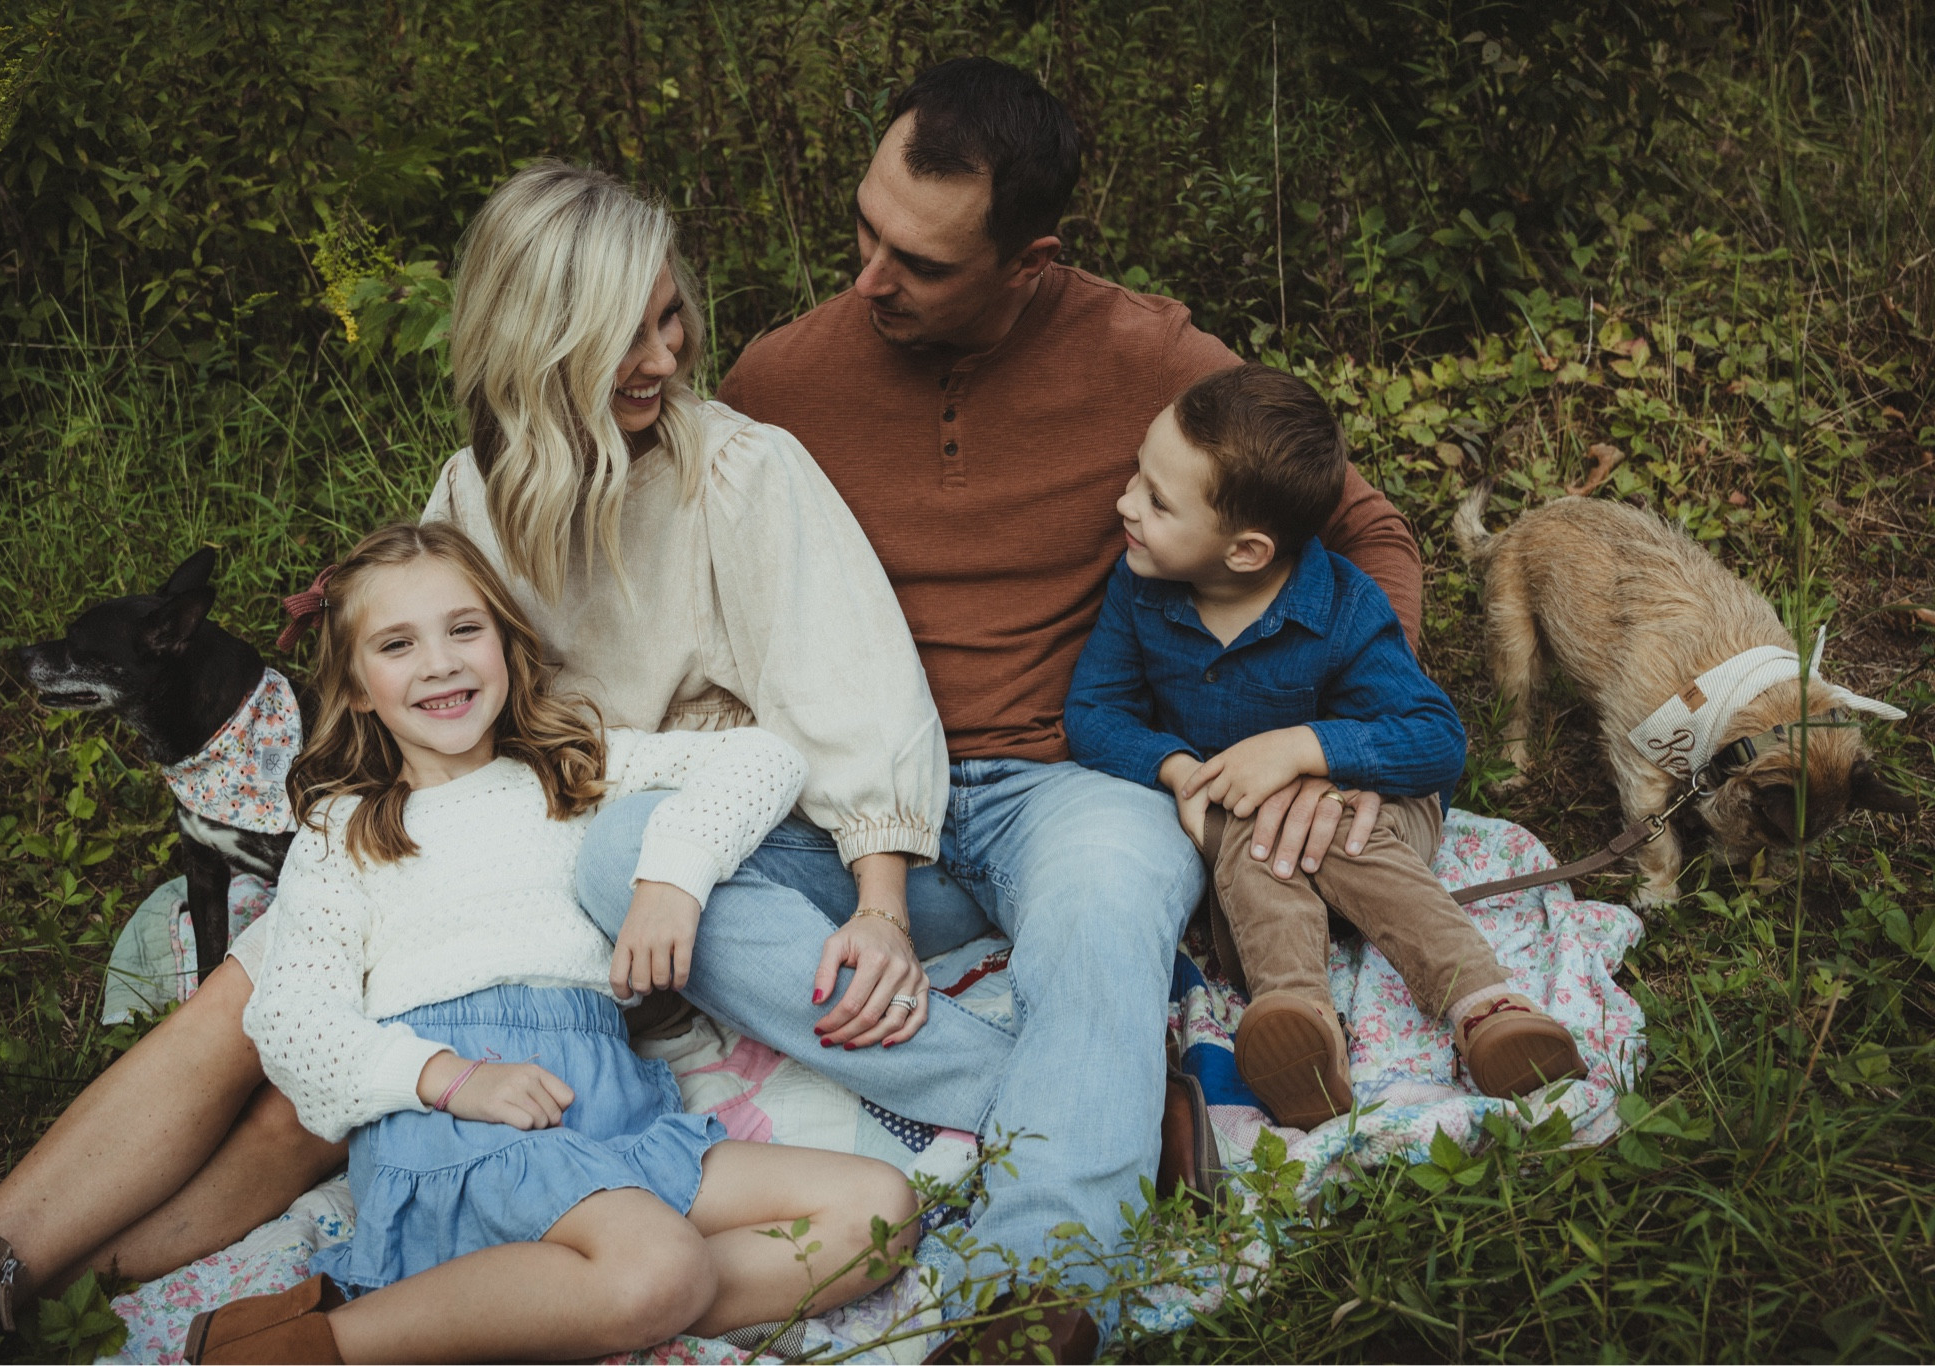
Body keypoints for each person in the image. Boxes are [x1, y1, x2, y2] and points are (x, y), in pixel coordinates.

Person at [0, 162, 998, 1359]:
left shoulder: (736, 472)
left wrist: (866, 898)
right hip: (490, 850)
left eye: (670, 315)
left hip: (648, 862)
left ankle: (356, 1316)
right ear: (537, 340)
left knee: (315, 1061)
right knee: (266, 1006)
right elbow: (420, 684)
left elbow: (834, 714)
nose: (665, 356)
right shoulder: (474, 494)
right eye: (624, 331)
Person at [577, 57, 1427, 1359]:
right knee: (620, 857)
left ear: (1030, 259)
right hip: (843, 799)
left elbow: (1360, 537)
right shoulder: (782, 375)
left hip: (1067, 776)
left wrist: (1328, 746)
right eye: (864, 231)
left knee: (1106, 896)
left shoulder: (1155, 358)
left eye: (918, 261)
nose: (870, 279)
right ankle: (1095, 1102)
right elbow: (619, 526)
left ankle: (1037, 1285)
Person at [176, 521, 917, 1364]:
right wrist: (448, 1078)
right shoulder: (343, 831)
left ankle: (555, 1307)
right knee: (657, 1262)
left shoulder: (572, 770)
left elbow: (762, 759)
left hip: (610, 1115)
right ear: (353, 688)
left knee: (878, 1211)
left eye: (465, 630)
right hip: (462, 1128)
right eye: (397, 645)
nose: (441, 663)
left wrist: (673, 876)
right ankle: (308, 1351)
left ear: (505, 643)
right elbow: (292, 1023)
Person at [1063, 364, 1587, 1131]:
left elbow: (1437, 739)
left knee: (1334, 826)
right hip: (1246, 852)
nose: (1124, 505)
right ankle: (1299, 1024)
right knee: (1251, 825)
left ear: (1245, 551)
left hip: (1370, 830)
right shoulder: (1140, 590)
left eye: (1156, 500)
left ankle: (1484, 1004)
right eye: (1137, 479)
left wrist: (1307, 748)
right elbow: (1095, 711)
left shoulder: (1340, 606)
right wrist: (1180, 771)